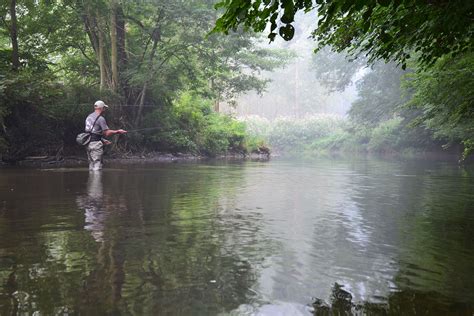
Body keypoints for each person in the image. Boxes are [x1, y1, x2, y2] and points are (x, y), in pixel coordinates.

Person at [85, 100, 127, 171]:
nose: (105, 109)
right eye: (104, 108)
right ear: (101, 108)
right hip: (95, 145)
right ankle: (96, 181)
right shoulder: (101, 119)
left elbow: (91, 132)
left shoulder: (88, 117)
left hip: (88, 144)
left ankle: (91, 181)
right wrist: (117, 131)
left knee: (92, 164)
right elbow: (107, 133)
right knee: (97, 165)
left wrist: (102, 140)